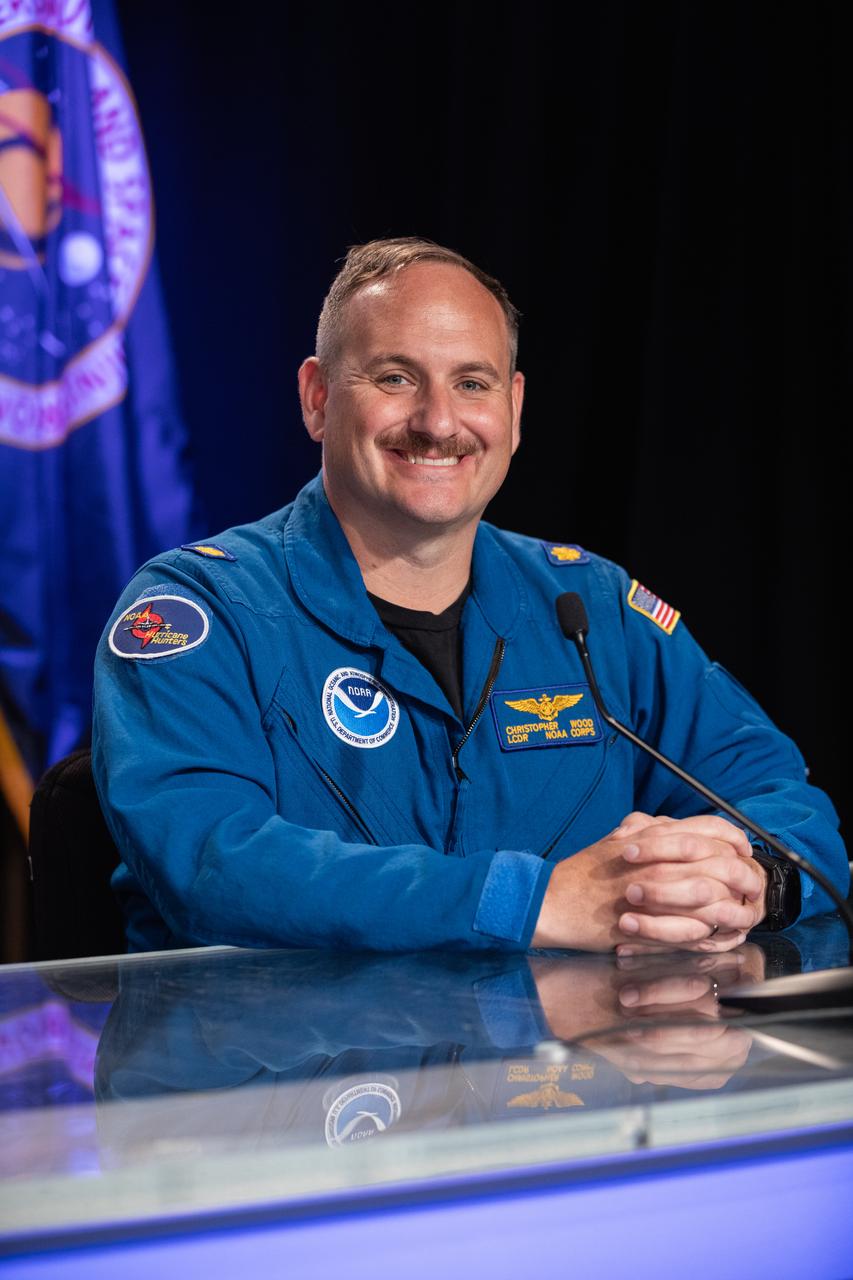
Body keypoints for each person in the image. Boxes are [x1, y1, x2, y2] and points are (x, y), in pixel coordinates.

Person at [92, 238, 848, 955]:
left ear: (513, 411)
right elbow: (212, 864)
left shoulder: (593, 609)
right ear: (318, 398)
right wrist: (532, 902)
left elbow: (784, 802)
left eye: (472, 383)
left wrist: (750, 882)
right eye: (394, 377)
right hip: (276, 1079)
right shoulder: (199, 611)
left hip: (558, 1079)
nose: (438, 423)